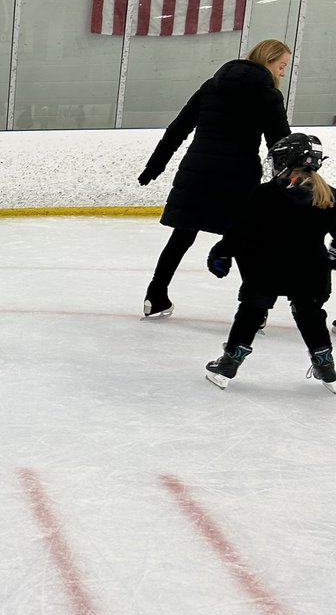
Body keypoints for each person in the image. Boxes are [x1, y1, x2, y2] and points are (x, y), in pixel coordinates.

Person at [137, 39, 292, 318]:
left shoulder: (212, 86)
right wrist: (293, 180)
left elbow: (177, 129)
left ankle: (155, 295)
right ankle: (254, 312)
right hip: (238, 176)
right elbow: (280, 144)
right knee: (245, 239)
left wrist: (154, 167)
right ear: (268, 61)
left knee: (182, 235)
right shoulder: (268, 94)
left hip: (197, 171)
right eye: (281, 67)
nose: (282, 73)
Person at [203, 133, 336, 393]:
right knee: (310, 315)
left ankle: (228, 365)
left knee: (251, 313)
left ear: (286, 160)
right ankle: (327, 369)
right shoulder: (329, 195)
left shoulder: (264, 194)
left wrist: (221, 252)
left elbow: (241, 231)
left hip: (266, 268)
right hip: (311, 271)